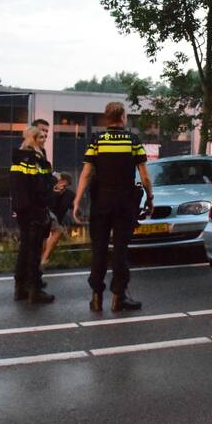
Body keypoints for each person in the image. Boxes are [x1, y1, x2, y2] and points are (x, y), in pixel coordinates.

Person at [73, 102, 154, 312]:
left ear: (106, 118)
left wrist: (76, 201)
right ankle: (119, 298)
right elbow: (144, 175)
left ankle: (96, 298)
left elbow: (86, 173)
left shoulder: (96, 141)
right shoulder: (132, 141)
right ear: (123, 117)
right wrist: (150, 198)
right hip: (124, 203)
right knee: (120, 250)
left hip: (100, 202)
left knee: (99, 249)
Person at [10, 125, 56, 304]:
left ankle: (20, 288)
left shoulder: (18, 158)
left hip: (22, 210)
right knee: (34, 251)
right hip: (35, 210)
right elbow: (41, 185)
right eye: (42, 137)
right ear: (34, 139)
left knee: (24, 249)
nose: (44, 140)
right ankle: (35, 291)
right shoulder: (35, 159)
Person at [41, 172, 75, 266]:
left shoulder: (69, 195)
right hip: (46, 215)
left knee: (57, 232)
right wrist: (55, 192)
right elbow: (46, 201)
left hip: (53, 218)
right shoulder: (50, 189)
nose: (63, 187)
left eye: (65, 185)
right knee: (45, 239)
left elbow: (72, 205)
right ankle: (42, 259)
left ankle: (43, 259)